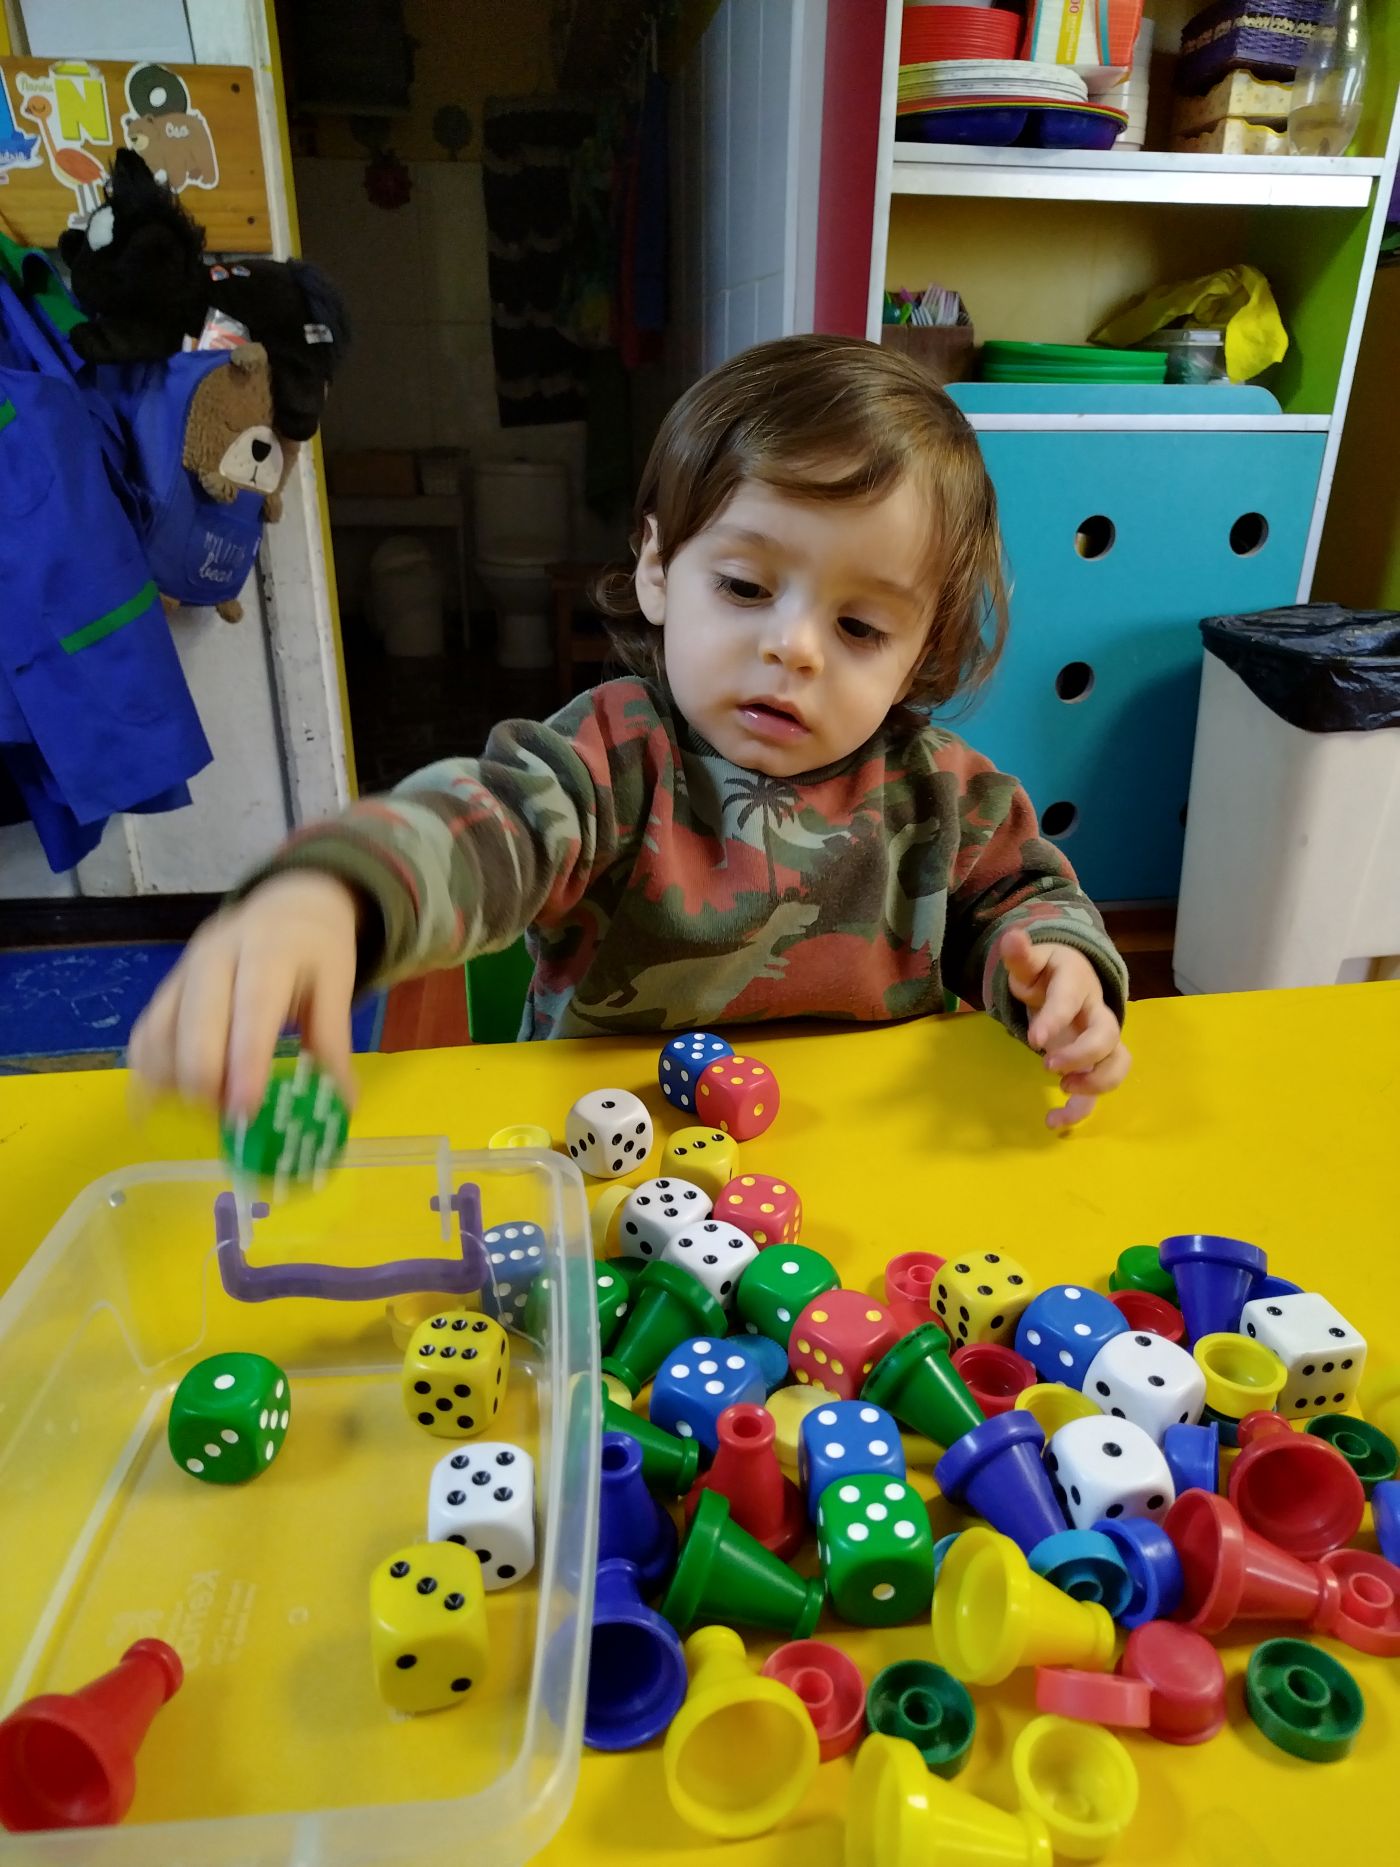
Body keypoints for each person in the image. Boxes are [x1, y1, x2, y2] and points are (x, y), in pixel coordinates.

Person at [131, 335, 1131, 1131]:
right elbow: (487, 828)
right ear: (657, 569)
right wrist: (337, 895)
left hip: (878, 1147)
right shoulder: (609, 756)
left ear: (917, 656)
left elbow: (1021, 893)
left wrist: (1052, 967)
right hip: (612, 1158)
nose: (793, 648)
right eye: (742, 586)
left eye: (859, 627)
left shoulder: (940, 791)